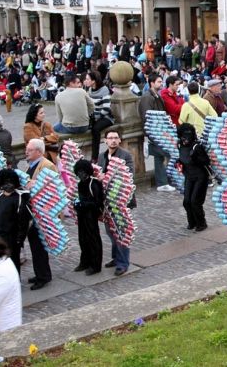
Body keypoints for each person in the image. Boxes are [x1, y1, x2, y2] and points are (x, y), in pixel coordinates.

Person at [98, 129, 136, 276]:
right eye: (110, 138)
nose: (113, 140)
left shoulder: (125, 155)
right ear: (105, 141)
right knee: (110, 231)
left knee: (121, 231)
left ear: (119, 140)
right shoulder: (101, 156)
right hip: (106, 200)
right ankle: (116, 257)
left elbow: (129, 175)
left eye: (115, 138)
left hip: (120, 199)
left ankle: (123, 263)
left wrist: (106, 177)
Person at [23, 138, 57, 290]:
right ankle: (40, 273)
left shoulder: (47, 165)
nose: (26, 152)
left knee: (40, 246)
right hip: (33, 212)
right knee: (35, 245)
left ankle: (43, 276)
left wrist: (33, 185)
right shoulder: (31, 165)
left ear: (38, 152)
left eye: (29, 150)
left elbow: (53, 187)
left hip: (42, 213)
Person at [0, 169, 30, 276]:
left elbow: (23, 221)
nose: (8, 184)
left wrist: (20, 239)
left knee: (13, 261)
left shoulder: (19, 198)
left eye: (10, 181)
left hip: (12, 236)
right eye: (6, 181)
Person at [139, 73, 174, 192]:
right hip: (154, 131)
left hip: (160, 130)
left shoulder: (156, 96)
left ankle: (162, 182)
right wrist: (151, 132)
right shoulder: (147, 97)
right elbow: (146, 116)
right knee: (165, 152)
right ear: (152, 83)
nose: (161, 83)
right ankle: (163, 181)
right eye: (159, 81)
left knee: (160, 156)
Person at [177, 124, 211, 232]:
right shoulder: (180, 145)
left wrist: (195, 157)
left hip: (200, 177)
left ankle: (201, 223)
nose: (185, 140)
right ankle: (192, 222)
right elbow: (182, 158)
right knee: (186, 201)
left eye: (187, 137)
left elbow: (206, 161)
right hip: (189, 176)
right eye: (183, 137)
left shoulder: (197, 147)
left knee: (195, 201)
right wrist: (178, 163)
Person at [72, 159, 103, 275]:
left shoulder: (94, 184)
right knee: (83, 239)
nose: (81, 174)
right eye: (79, 172)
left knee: (93, 239)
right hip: (82, 214)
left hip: (91, 215)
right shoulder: (80, 184)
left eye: (83, 172)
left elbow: (98, 202)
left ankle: (95, 265)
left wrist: (84, 203)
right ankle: (85, 261)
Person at [84, 71, 114, 161]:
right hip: (94, 116)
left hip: (106, 117)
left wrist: (96, 117)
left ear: (93, 81)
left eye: (87, 79)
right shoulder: (89, 90)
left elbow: (106, 108)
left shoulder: (104, 90)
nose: (86, 81)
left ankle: (94, 157)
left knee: (95, 129)